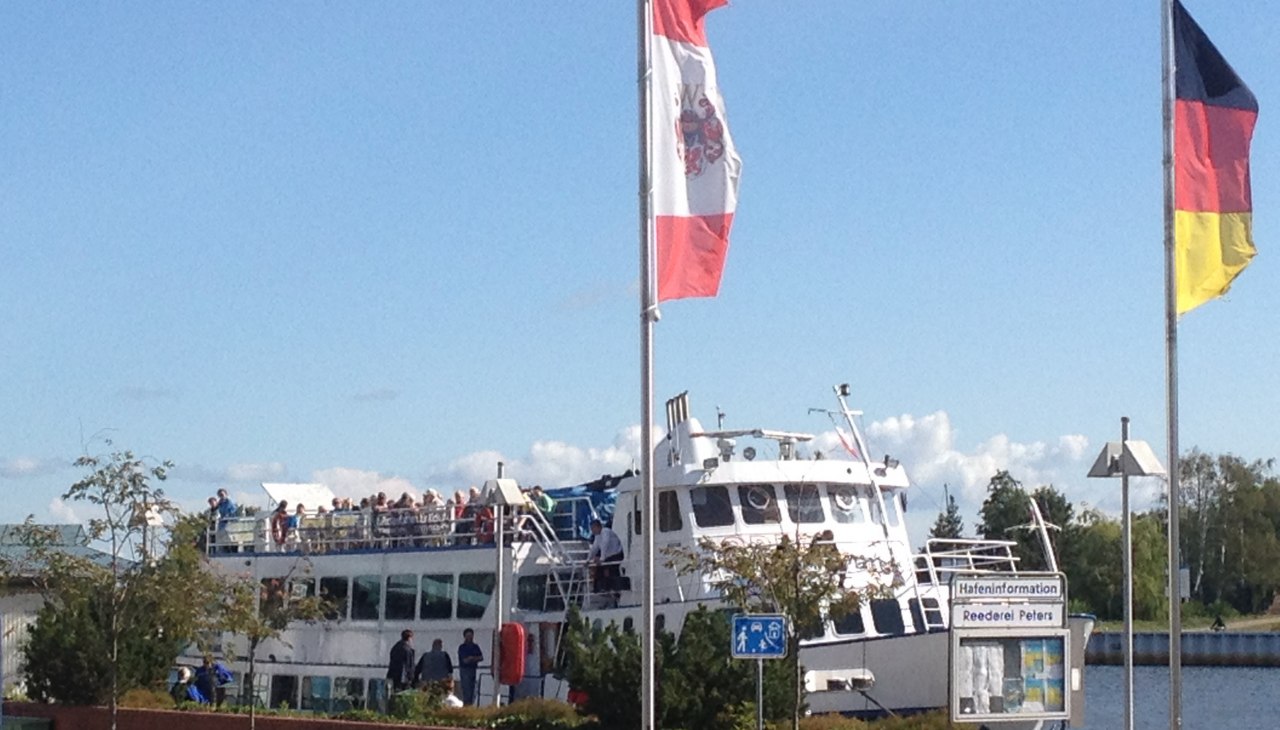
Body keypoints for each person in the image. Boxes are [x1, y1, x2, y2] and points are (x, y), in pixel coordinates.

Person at [587, 519, 624, 604]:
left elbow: (605, 544)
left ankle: (611, 588)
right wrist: (588, 560)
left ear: (598, 527)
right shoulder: (598, 536)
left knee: (607, 567)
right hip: (609, 556)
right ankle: (599, 589)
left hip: (617, 554)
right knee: (599, 569)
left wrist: (602, 559)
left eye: (593, 528)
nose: (592, 531)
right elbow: (594, 548)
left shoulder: (606, 532)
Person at [457, 628, 484, 705]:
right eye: (468, 636)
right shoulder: (462, 647)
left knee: (472, 689)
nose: (470, 637)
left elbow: (481, 657)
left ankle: (470, 704)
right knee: (466, 689)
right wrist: (472, 658)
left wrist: (472, 658)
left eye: (471, 636)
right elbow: (464, 660)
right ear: (464, 637)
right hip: (464, 670)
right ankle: (466, 704)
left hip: (473, 669)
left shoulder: (475, 646)